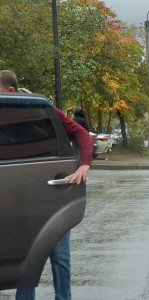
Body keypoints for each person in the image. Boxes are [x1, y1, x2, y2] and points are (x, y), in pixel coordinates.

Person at [1, 70, 93, 300]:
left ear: (10, 91)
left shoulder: (40, 108)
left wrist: (84, 165)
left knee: (60, 258)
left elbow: (81, 134)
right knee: (26, 258)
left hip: (47, 197)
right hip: (19, 201)